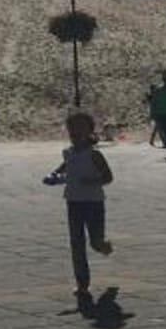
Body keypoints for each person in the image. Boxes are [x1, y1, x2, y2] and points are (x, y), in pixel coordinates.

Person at [43, 111, 115, 315]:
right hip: (73, 202)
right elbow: (63, 168)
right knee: (76, 242)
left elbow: (108, 177)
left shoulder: (94, 154)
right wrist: (53, 176)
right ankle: (82, 283)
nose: (75, 133)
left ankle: (103, 246)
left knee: (95, 241)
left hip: (94, 202)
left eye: (80, 128)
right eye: (72, 129)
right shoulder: (68, 153)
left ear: (89, 131)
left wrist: (92, 181)